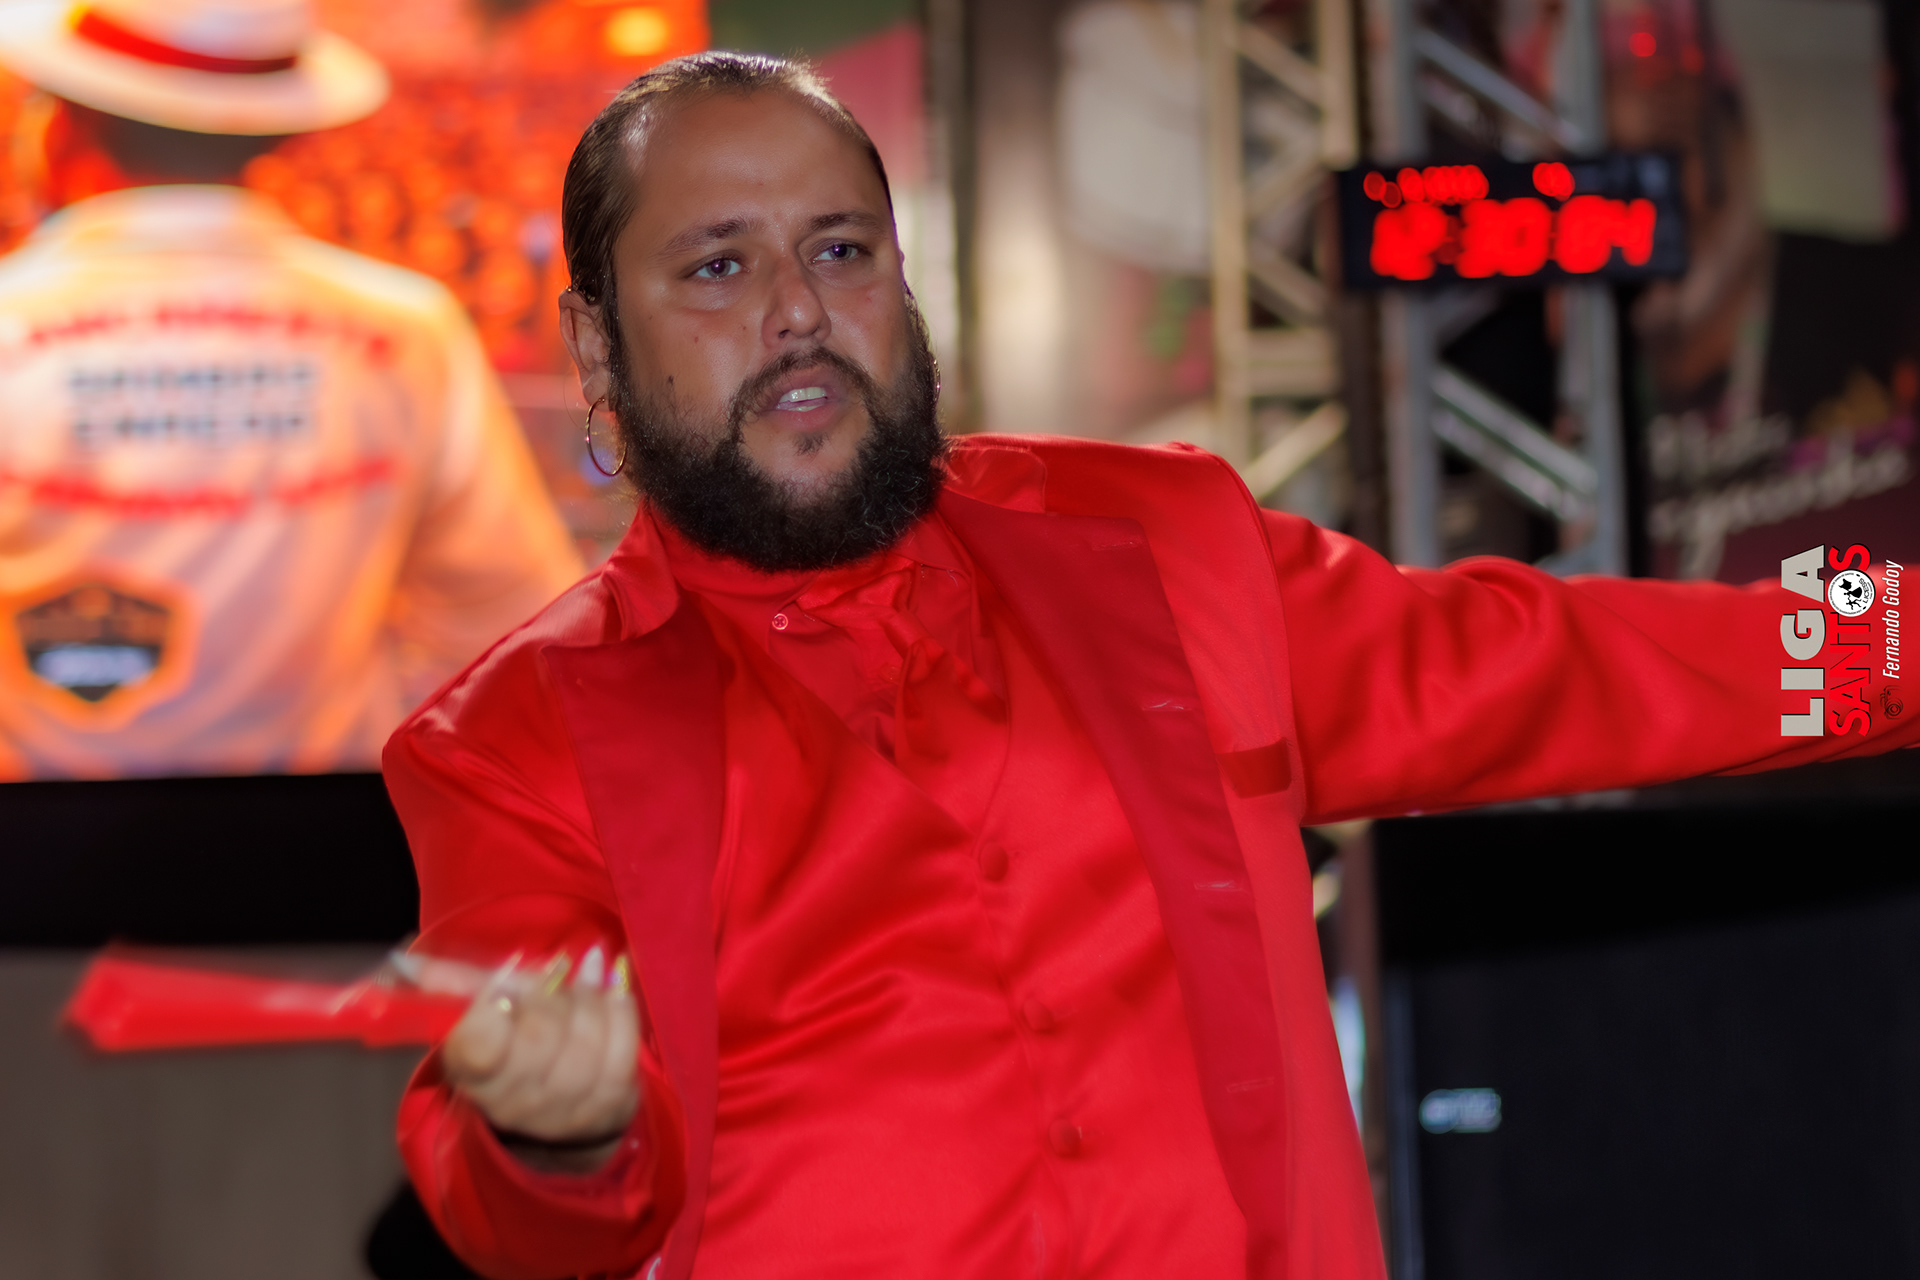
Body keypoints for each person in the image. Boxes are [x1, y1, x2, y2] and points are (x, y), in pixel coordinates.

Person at [383, 52, 1917, 1280]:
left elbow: (1579, 667)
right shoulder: (512, 741)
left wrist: (1906, 647)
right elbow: (506, 1199)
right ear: (597, 348)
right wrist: (559, 1140)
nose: (798, 313)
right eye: (716, 269)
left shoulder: (1156, 547)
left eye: (841, 251)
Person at [0, 0, 582, 779]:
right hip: (321, 831)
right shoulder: (408, 333)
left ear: (59, 128)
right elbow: (508, 628)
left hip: (36, 834)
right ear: (275, 135)